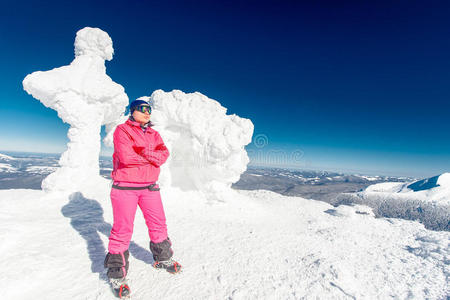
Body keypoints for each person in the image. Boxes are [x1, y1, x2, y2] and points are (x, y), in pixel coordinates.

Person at [104, 99, 181, 298]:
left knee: (158, 224)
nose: (148, 113)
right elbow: (127, 158)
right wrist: (150, 155)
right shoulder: (123, 130)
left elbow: (163, 155)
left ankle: (163, 258)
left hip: (149, 187)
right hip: (125, 188)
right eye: (143, 109)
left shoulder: (155, 134)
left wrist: (141, 150)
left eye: (150, 110)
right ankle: (117, 274)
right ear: (133, 111)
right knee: (122, 230)